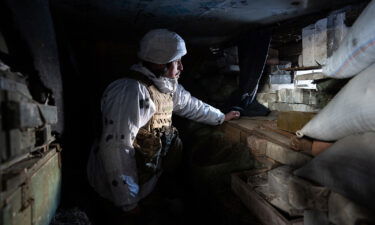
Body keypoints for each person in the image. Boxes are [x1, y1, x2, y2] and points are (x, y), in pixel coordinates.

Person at [86, 29, 240, 218]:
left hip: (146, 178)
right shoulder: (130, 92)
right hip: (115, 190)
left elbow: (190, 105)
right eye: (177, 62)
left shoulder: (165, 87)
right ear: (160, 63)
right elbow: (117, 148)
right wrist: (128, 202)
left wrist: (220, 117)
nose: (182, 67)